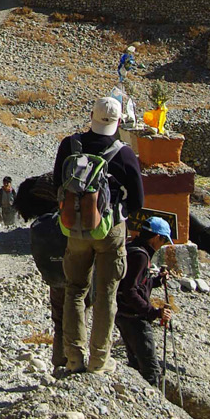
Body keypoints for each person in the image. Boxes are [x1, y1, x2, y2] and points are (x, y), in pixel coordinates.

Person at [53, 97, 145, 375]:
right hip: (110, 231)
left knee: (75, 290)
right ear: (118, 123)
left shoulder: (70, 145)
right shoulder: (124, 153)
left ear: (90, 115)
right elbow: (138, 201)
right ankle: (98, 361)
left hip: (75, 228)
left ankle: (73, 358)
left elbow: (57, 184)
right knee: (106, 294)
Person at [115, 216, 175, 387]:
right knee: (151, 371)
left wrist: (157, 281)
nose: (162, 245)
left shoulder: (131, 248)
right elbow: (130, 291)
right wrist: (153, 312)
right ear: (156, 237)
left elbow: (137, 283)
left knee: (135, 364)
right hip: (135, 319)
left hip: (122, 314)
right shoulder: (141, 256)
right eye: (163, 241)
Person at [29, 211, 69, 374]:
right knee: (76, 317)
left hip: (55, 277)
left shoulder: (49, 223)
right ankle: (73, 361)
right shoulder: (77, 219)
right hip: (74, 278)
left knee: (59, 321)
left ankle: (59, 361)